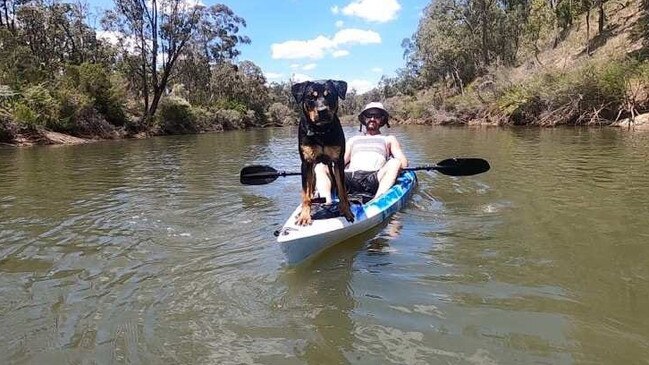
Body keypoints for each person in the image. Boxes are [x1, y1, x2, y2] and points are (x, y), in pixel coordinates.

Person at [314, 102, 408, 205]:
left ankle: (377, 201)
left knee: (395, 162)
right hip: (349, 177)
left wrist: (393, 165)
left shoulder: (389, 139)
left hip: (373, 178)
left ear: (382, 119)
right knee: (321, 166)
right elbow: (340, 161)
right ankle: (326, 202)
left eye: (376, 116)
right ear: (364, 119)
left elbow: (403, 163)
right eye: (369, 115)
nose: (372, 119)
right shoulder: (353, 140)